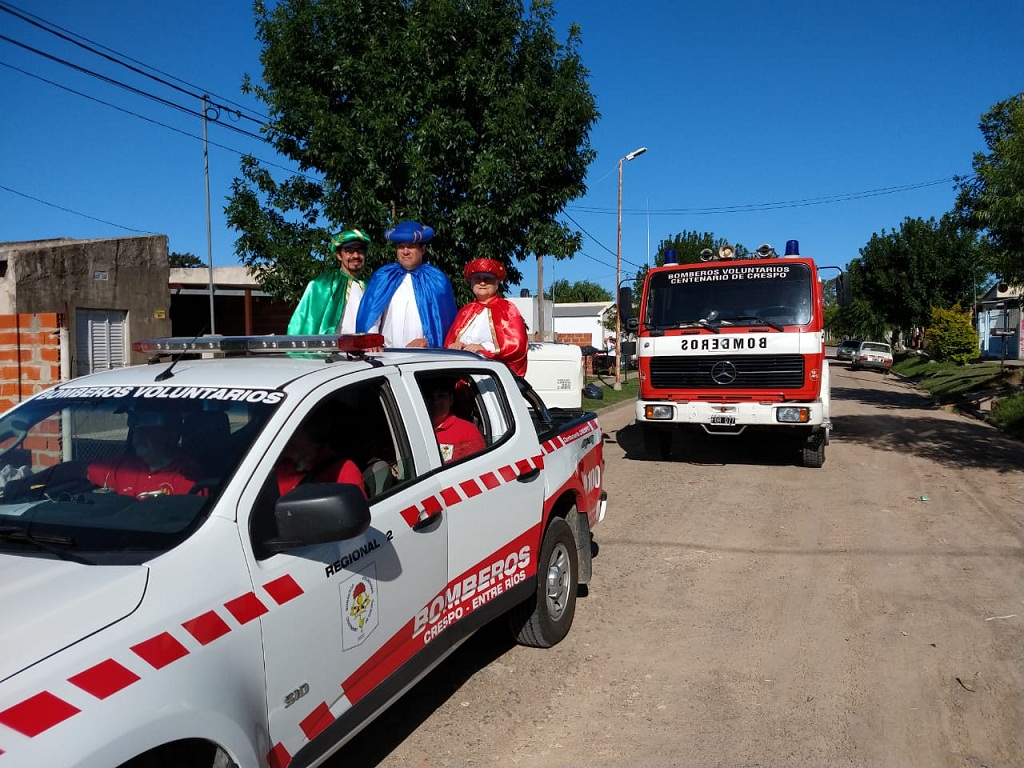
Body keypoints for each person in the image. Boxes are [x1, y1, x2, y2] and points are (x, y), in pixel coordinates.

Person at [355, 220, 456, 347]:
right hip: (386, 356)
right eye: (401, 247)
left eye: (411, 246)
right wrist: (371, 342)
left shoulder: (437, 279)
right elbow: (371, 317)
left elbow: (445, 324)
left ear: (423, 249)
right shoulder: (383, 276)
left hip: (425, 358)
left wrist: (428, 341)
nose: (405, 251)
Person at [87, 409, 202, 498]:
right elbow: (80, 469)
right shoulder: (126, 467)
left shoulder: (188, 476)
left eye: (148, 431)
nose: (138, 436)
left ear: (171, 436)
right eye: (136, 431)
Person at [444, 257, 529, 376]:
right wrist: (455, 345)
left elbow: (517, 345)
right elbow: (450, 341)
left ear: (497, 284)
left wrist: (483, 347)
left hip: (492, 377)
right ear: (471, 283)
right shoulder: (465, 311)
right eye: (477, 279)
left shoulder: (508, 309)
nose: (482, 283)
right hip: (463, 376)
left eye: (488, 279)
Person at [287, 229, 370, 335]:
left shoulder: (370, 286)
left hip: (366, 350)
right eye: (349, 251)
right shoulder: (322, 285)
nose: (356, 256)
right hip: (334, 350)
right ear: (339, 255)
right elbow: (306, 323)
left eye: (360, 251)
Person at [275, 403, 367, 497]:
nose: (286, 438)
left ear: (312, 433)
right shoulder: (273, 464)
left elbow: (354, 510)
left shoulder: (342, 470)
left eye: (293, 431)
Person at [421, 378, 485, 463]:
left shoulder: (468, 431)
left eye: (441, 396)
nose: (435, 401)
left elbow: (479, 466)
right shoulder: (414, 428)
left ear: (451, 400)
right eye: (430, 396)